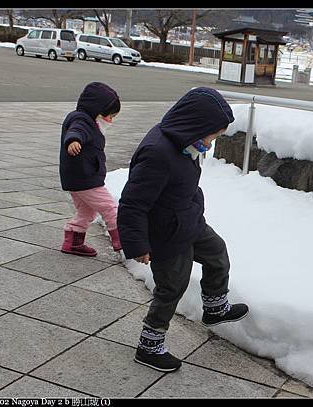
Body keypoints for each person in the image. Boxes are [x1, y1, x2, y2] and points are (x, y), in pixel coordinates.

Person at [117, 87, 249, 373]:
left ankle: (215, 307)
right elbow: (132, 203)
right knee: (172, 287)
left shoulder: (185, 142)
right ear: (194, 126)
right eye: (211, 136)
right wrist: (137, 244)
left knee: (217, 252)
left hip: (188, 221)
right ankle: (149, 345)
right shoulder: (157, 153)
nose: (211, 144)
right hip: (165, 234)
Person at [59, 82, 122, 257]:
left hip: (77, 179)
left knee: (87, 211)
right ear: (97, 111)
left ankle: (72, 242)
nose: (111, 121)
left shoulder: (87, 120)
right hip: (86, 179)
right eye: (110, 116)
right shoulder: (82, 120)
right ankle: (122, 240)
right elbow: (75, 131)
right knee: (109, 207)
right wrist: (73, 141)